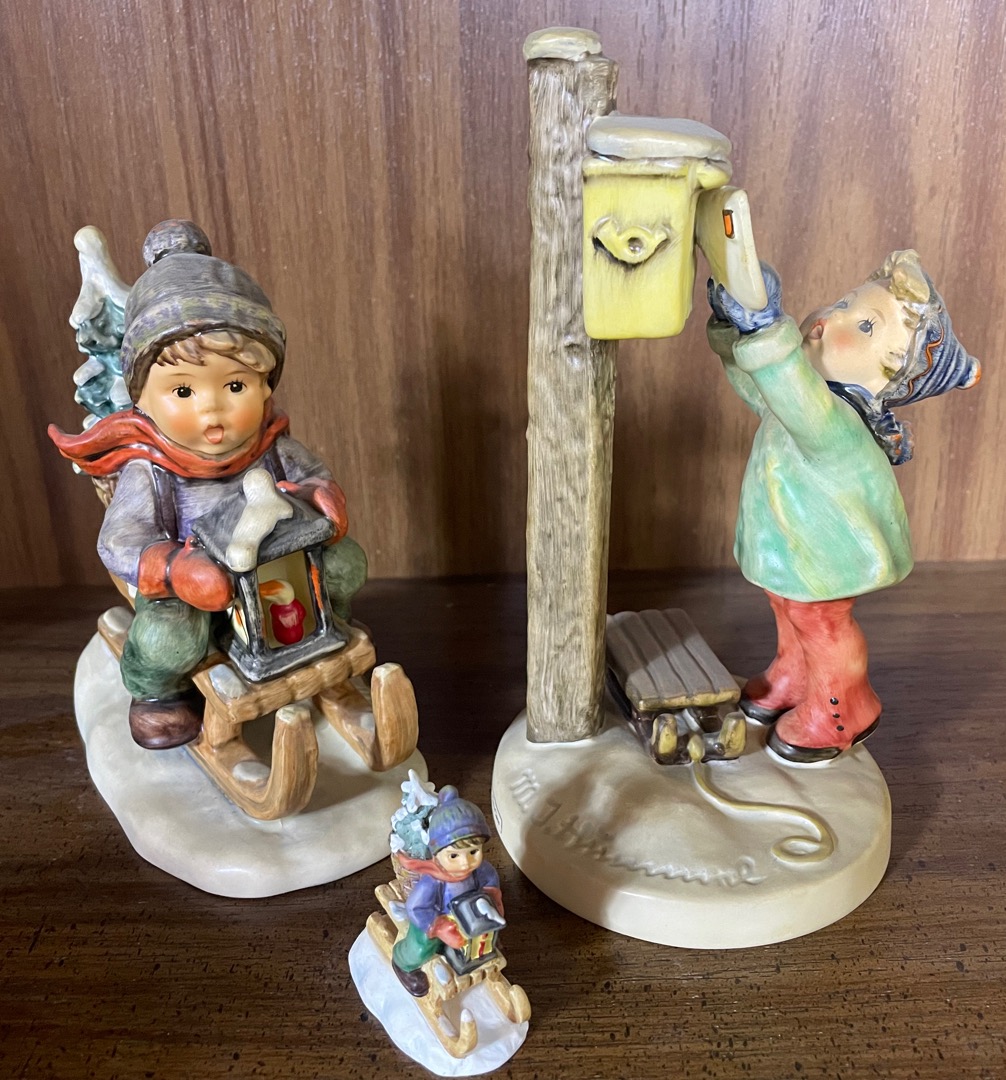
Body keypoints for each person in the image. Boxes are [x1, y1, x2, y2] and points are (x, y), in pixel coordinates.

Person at [50, 220, 367, 750]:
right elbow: (119, 541)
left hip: (275, 570)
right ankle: (159, 692)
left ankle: (321, 630)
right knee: (170, 636)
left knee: (345, 563)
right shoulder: (152, 470)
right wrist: (175, 569)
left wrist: (321, 498)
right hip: (194, 588)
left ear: (265, 386)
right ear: (142, 400)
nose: (212, 409)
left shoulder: (272, 446)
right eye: (183, 391)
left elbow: (313, 477)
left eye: (235, 385)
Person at [707, 249, 979, 762]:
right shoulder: (803, 396)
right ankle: (795, 673)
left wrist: (764, 328)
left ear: (886, 369)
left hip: (826, 554)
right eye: (843, 303)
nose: (828, 319)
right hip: (794, 544)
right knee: (787, 603)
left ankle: (843, 708)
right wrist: (733, 330)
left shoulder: (831, 416)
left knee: (819, 620)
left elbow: (784, 384)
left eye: (865, 325)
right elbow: (760, 384)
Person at [391, 787, 503, 997]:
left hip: (468, 919)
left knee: (485, 934)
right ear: (437, 854)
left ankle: (477, 949)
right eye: (454, 856)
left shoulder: (481, 870)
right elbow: (416, 907)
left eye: (473, 852)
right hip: (439, 920)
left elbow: (490, 881)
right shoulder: (433, 881)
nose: (465, 863)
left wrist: (491, 900)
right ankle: (403, 963)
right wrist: (438, 926)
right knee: (421, 947)